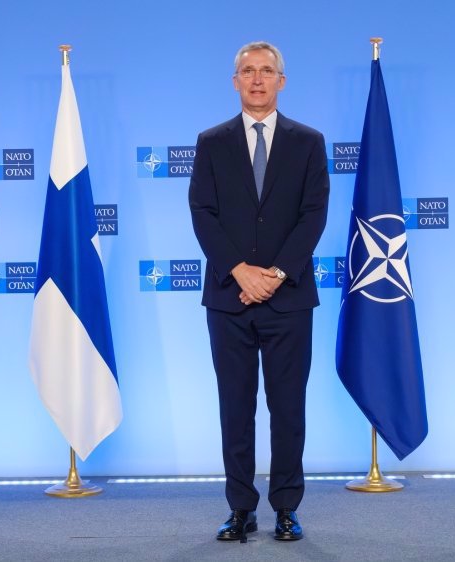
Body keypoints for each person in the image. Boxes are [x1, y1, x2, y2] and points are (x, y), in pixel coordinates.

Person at [188, 41, 329, 542]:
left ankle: (287, 508)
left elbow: (313, 214)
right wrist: (239, 272)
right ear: (235, 82)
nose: (257, 79)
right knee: (236, 408)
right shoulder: (211, 142)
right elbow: (202, 213)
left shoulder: (308, 142)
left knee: (288, 408)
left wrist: (275, 274)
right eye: (248, 71)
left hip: (289, 299)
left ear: (281, 81)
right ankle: (240, 509)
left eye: (266, 71)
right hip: (229, 299)